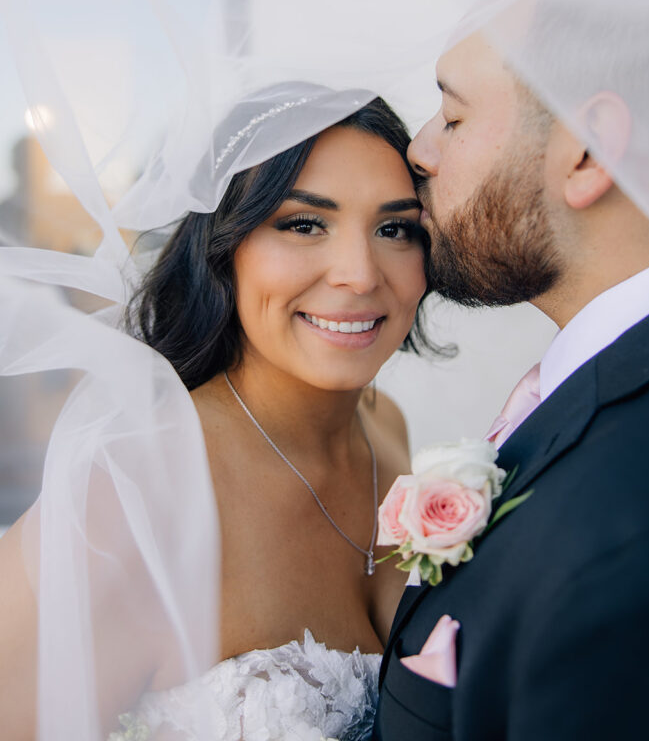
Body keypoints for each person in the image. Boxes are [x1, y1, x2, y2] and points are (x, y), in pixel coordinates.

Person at [0, 92, 433, 741]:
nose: (358, 274)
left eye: (394, 228)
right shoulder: (131, 493)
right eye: (304, 224)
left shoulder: (386, 429)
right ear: (224, 248)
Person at [373, 0, 649, 740]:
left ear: (585, 152)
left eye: (453, 115)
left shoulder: (636, 519)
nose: (420, 150)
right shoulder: (614, 388)